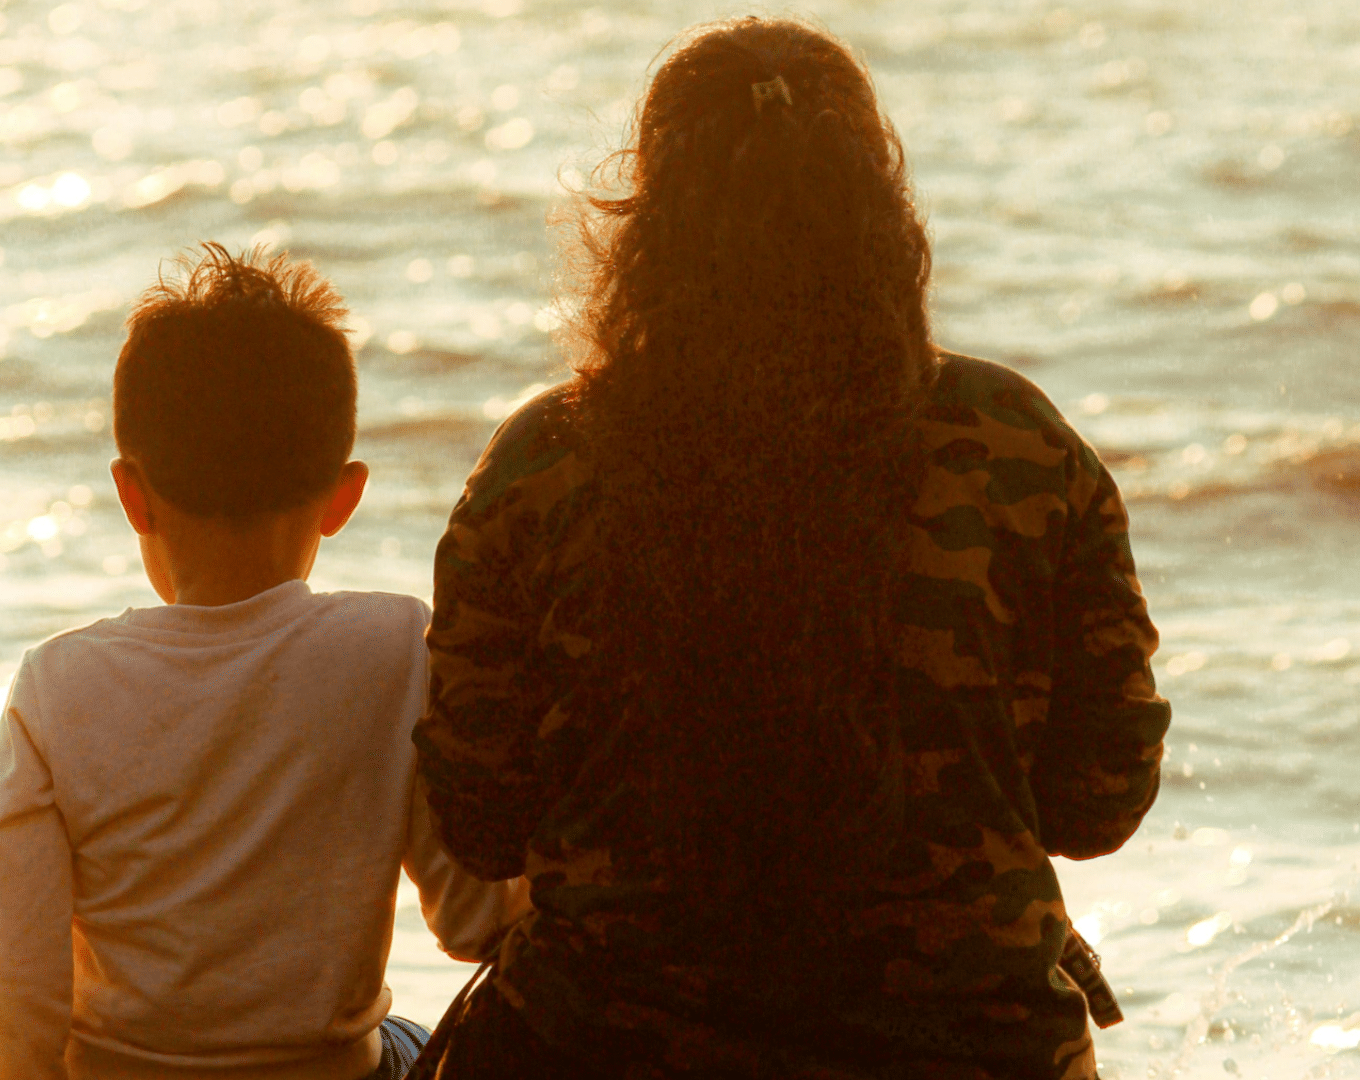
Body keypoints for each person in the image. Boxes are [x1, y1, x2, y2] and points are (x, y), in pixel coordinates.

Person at [410, 17, 1170, 1080]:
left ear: (648, 227)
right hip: (974, 1052)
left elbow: (480, 822)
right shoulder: (1020, 444)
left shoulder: (543, 464)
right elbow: (1101, 803)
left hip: (601, 1048)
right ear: (882, 211)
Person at [0, 244, 530, 1080]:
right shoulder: (393, 646)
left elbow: (9, 1013)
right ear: (344, 497)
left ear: (131, 494)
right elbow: (479, 921)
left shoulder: (56, 687)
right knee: (410, 1040)